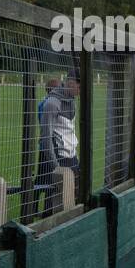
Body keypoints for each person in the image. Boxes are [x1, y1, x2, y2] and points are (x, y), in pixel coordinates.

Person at [37, 76, 79, 216]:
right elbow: (46, 137)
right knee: (52, 199)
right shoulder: (51, 104)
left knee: (72, 200)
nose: (80, 91)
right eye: (79, 87)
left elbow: (70, 131)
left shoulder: (72, 102)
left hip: (71, 158)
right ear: (71, 83)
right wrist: (55, 166)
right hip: (57, 158)